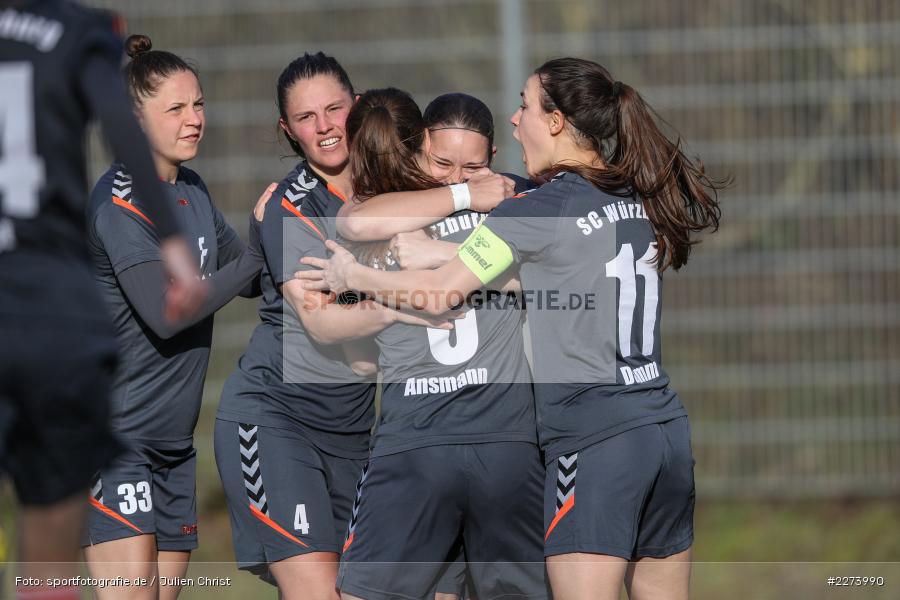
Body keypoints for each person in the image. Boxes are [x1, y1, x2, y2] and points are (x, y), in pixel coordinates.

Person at [297, 57, 724, 600]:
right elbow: (558, 276)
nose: (516, 118)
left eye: (525, 105)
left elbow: (439, 294)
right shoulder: (631, 197)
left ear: (556, 121)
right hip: (664, 429)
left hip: (594, 439)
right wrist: (446, 250)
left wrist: (354, 275)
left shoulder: (536, 208)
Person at [213, 53, 457, 600]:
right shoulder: (290, 206)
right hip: (277, 419)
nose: (324, 126)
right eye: (306, 117)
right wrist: (403, 305)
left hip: (354, 434)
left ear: (359, 105)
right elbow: (323, 325)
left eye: (334, 109)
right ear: (287, 129)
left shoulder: (394, 189)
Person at [0, 3, 203, 599]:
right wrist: (172, 241)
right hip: (48, 302)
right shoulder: (73, 30)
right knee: (49, 517)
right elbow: (120, 126)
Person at [328, 88, 547, 600]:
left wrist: (437, 253)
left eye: (472, 168)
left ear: (492, 157)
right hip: (498, 442)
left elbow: (353, 220)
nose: (455, 177)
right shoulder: (511, 202)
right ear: (419, 144)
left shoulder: (390, 212)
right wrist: (470, 198)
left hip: (423, 439)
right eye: (442, 163)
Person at [82, 35, 269, 600]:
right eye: (177, 109)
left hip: (173, 445)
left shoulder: (191, 190)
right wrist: (259, 252)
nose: (195, 119)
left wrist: (295, 222)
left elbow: (248, 276)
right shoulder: (120, 205)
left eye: (199, 104)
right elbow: (167, 315)